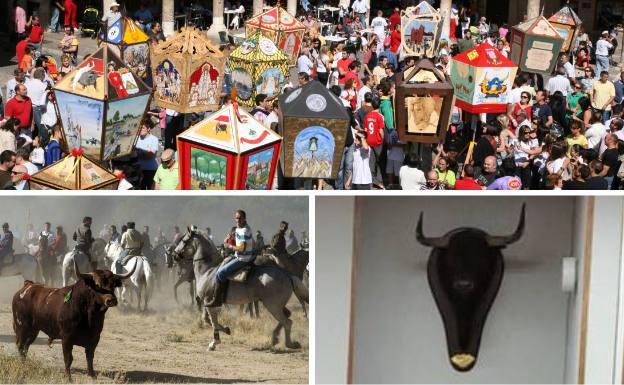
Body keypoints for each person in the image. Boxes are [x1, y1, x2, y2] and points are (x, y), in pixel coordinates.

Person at [208, 210, 255, 307]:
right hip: (240, 256)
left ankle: (217, 300)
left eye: (239, 218)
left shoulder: (244, 230)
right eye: (236, 218)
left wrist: (229, 246)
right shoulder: (239, 228)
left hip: (243, 259)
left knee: (220, 274)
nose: (237, 220)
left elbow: (242, 248)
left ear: (244, 218)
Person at [135, 120, 159, 190]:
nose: (140, 130)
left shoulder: (154, 139)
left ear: (148, 129)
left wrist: (138, 153)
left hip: (150, 169)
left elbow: (150, 156)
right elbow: (132, 153)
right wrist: (145, 152)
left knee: (150, 189)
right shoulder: (136, 138)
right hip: (138, 169)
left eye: (142, 128)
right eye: (139, 128)